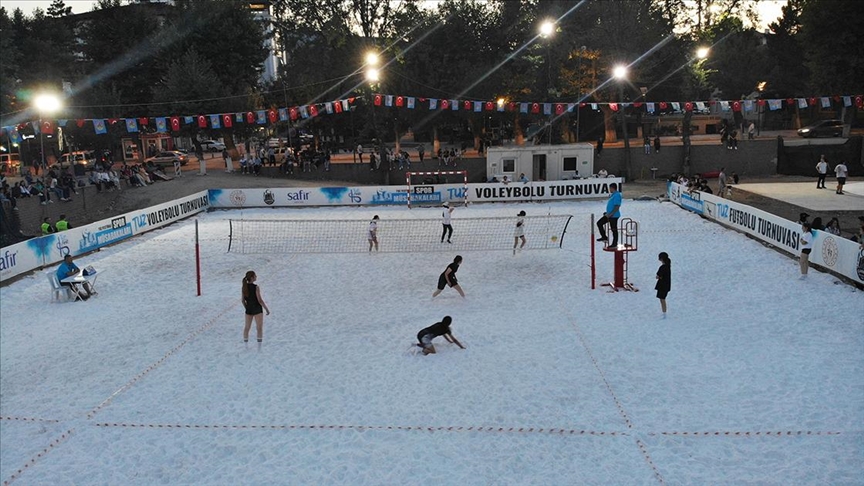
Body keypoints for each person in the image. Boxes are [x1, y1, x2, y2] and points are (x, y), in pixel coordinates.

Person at [241, 270, 270, 343]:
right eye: (255, 276)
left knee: (247, 328)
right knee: (259, 328)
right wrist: (266, 309)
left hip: (249, 309)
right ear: (252, 277)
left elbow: (242, 300)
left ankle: (245, 345)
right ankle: (259, 346)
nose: (256, 277)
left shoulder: (244, 287)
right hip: (257, 308)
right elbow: (260, 300)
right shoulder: (256, 287)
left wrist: (246, 307)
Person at [596, 182, 622, 247]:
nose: (609, 189)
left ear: (612, 188)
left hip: (614, 216)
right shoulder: (613, 195)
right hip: (609, 215)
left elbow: (617, 206)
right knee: (599, 223)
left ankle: (614, 243)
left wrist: (611, 214)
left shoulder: (617, 195)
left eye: (610, 188)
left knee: (614, 229)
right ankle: (604, 236)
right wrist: (607, 213)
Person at [655, 252, 671, 317]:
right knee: (662, 299)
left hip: (662, 285)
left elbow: (658, 276)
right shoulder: (668, 266)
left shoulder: (663, 267)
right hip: (667, 285)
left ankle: (664, 313)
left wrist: (658, 277)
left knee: (662, 299)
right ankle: (664, 312)